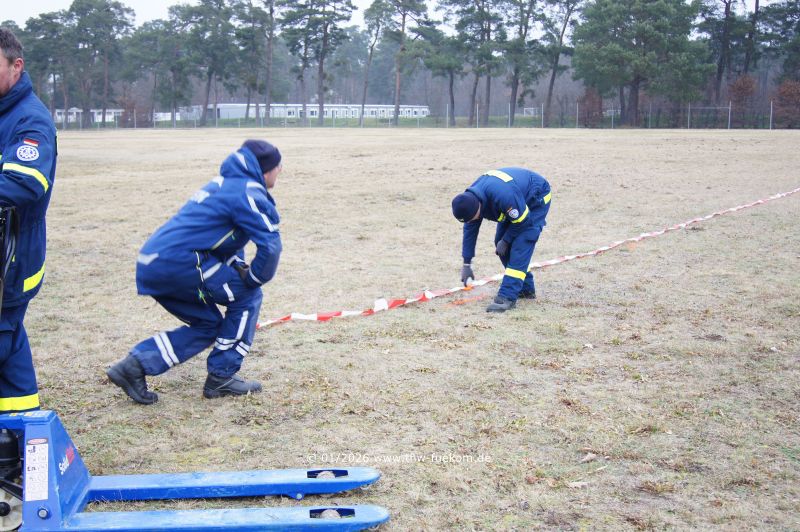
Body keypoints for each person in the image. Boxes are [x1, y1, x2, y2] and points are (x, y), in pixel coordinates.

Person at [107, 140, 283, 404]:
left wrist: (238, 267)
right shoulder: (248, 192)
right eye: (279, 166)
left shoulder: (226, 184)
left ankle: (134, 366)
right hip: (182, 264)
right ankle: (222, 376)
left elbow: (227, 238)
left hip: (155, 263)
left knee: (208, 324)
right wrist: (254, 277)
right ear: (266, 168)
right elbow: (270, 246)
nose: (281, 171)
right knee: (248, 296)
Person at [0, 28, 57, 413]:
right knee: (9, 334)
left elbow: (25, 182)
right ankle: (21, 425)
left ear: (16, 66)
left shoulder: (30, 120)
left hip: (13, 258)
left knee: (3, 331)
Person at [451, 168, 551, 313]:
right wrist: (467, 263)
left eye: (473, 218)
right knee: (501, 243)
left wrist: (507, 239)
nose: (472, 221)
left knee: (520, 244)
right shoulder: (470, 200)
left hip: (535, 197)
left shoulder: (503, 195)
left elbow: (522, 220)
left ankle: (507, 297)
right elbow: (470, 230)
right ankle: (525, 289)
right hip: (515, 203)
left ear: (478, 207)